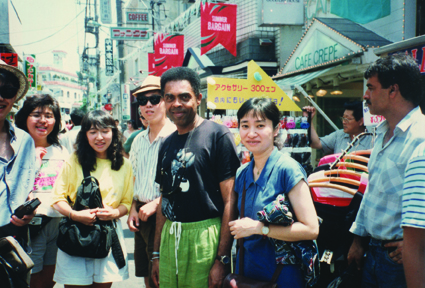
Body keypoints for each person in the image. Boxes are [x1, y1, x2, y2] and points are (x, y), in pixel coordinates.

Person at [151, 67, 240, 288]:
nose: (177, 104)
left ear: (198, 98)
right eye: (170, 98)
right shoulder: (166, 143)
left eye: (184, 97)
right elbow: (164, 200)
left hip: (206, 238)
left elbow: (230, 199)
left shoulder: (218, 135)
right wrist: (156, 254)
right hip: (170, 238)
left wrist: (222, 258)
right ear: (164, 101)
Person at [347, 54, 425, 288]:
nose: (365, 95)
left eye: (371, 88)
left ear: (393, 90)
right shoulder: (382, 133)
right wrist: (359, 240)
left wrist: (418, 247)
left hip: (401, 263)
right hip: (374, 253)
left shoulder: (420, 139)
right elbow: (373, 191)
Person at [228, 98, 319, 287]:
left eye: (260, 125)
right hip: (248, 275)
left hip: (282, 276)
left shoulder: (288, 169)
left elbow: (311, 229)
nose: (251, 133)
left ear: (276, 129)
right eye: (245, 126)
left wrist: (259, 228)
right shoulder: (242, 173)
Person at [52, 110, 134, 288]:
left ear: (114, 132)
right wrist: (74, 215)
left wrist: (114, 212)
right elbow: (57, 198)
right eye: (93, 132)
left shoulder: (124, 165)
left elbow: (127, 202)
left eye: (105, 131)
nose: (100, 137)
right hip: (76, 233)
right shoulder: (74, 160)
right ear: (85, 135)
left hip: (107, 236)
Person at [15, 94, 69, 288]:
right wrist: (34, 162)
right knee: (30, 279)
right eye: (36, 114)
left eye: (49, 115)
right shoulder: (15, 148)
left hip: (59, 222)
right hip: (31, 226)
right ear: (24, 118)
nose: (43, 121)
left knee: (50, 277)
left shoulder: (61, 150)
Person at [126, 75, 175, 287]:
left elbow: (182, 183)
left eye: (154, 99)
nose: (148, 105)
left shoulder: (177, 136)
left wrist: (156, 204)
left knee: (163, 276)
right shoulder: (138, 139)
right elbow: (134, 178)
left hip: (166, 216)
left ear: (165, 101)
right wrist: (132, 208)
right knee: (147, 277)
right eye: (142, 101)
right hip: (142, 215)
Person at [0, 59, 37, 284]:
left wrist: (28, 208)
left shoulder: (24, 141)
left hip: (13, 243)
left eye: (8, 90)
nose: (1, 97)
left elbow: (26, 187)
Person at [304, 101, 373, 155]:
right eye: (343, 118)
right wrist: (309, 120)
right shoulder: (339, 135)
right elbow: (315, 144)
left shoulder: (372, 141)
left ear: (361, 121)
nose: (343, 122)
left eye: (347, 119)